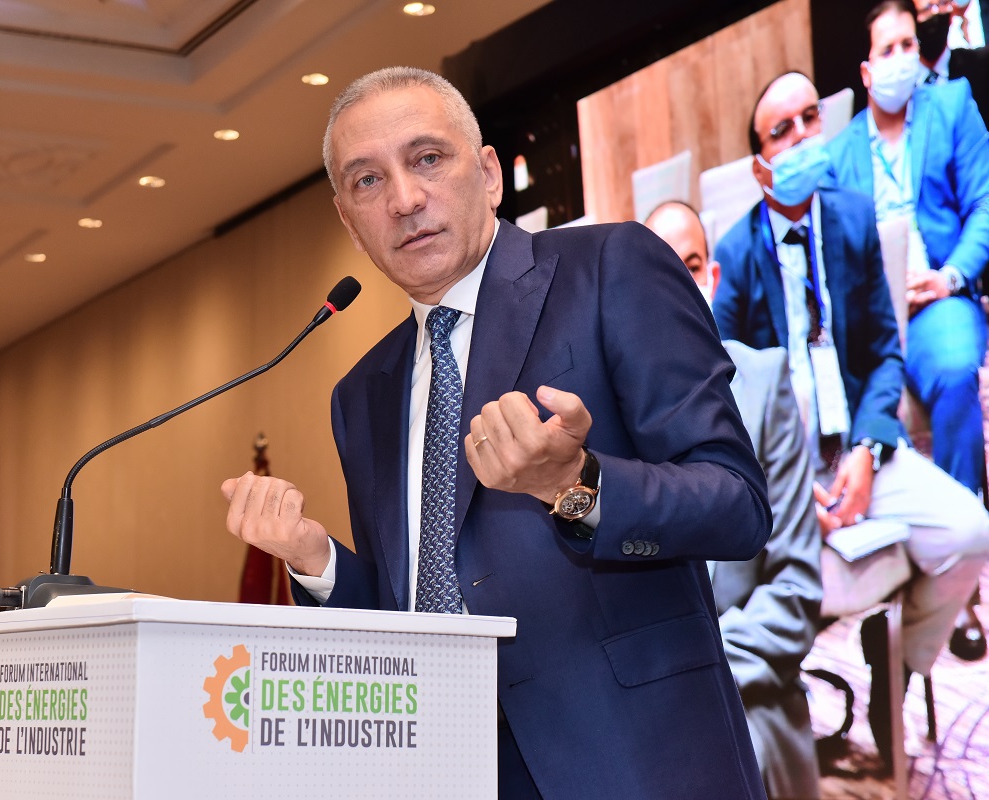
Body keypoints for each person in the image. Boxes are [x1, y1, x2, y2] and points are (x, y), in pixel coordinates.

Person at [222, 67, 774, 798]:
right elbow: (408, 614)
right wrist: (315, 559)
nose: (404, 199)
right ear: (350, 224)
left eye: (427, 158)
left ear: (488, 174)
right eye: (367, 181)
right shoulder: (360, 395)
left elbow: (737, 506)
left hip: (634, 764)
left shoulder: (611, 267)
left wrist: (574, 485)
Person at [713, 69, 989, 770]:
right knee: (779, 586)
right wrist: (788, 488)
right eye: (782, 130)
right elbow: (723, 393)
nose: (804, 137)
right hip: (786, 475)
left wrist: (867, 449)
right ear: (759, 163)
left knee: (972, 532)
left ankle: (897, 671)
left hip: (863, 454)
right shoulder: (736, 257)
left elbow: (885, 353)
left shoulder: (850, 217)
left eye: (811, 118)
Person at [829, 0, 989, 663]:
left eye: (908, 46)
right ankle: (891, 564)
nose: (903, 60)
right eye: (887, 50)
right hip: (873, 321)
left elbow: (984, 204)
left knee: (952, 371)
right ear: (867, 71)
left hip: (937, 299)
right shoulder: (840, 152)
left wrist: (950, 277)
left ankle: (962, 573)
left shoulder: (951, 106)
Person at [646, 200, 823, 800]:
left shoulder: (766, 385)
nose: (678, 284)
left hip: (746, 680)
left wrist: (696, 666)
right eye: (659, 269)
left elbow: (795, 588)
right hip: (649, 694)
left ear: (713, 277)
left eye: (691, 265)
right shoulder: (606, 413)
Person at [916, 0, 989, 124]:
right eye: (926, 9)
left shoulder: (981, 65)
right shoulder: (900, 83)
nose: (935, 13)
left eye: (941, 4)